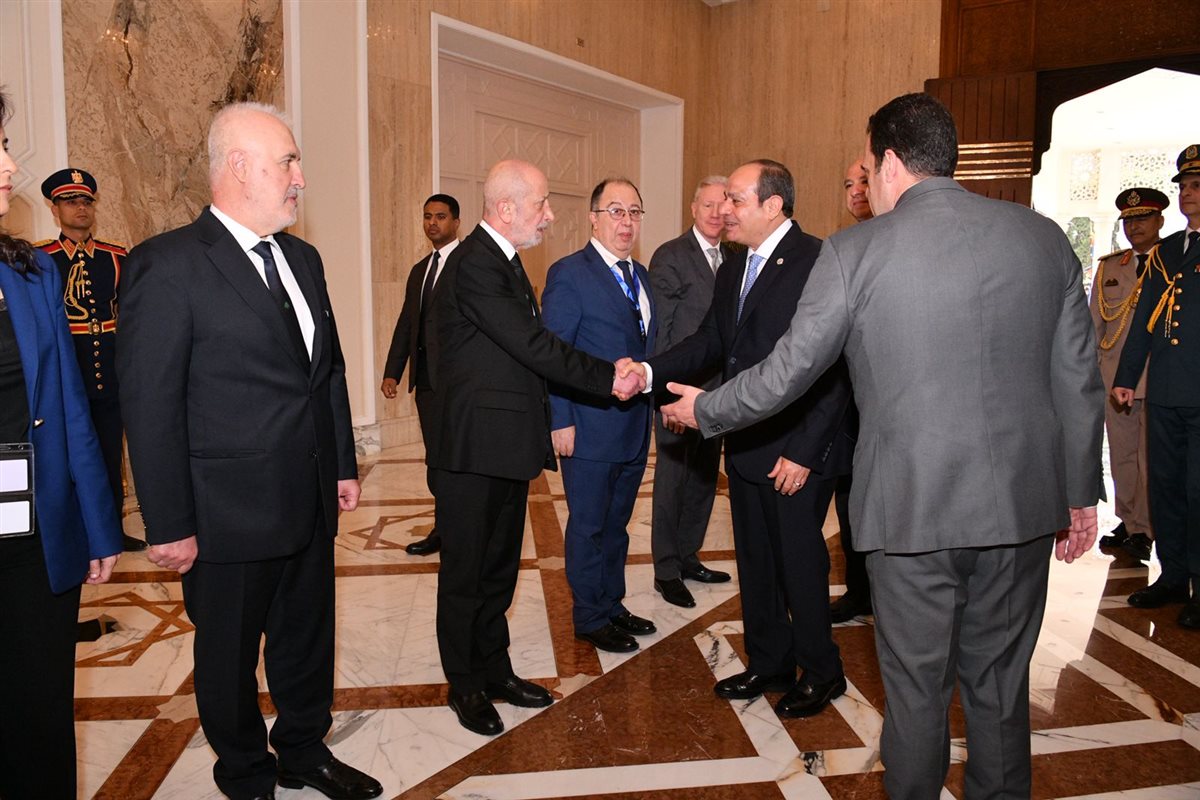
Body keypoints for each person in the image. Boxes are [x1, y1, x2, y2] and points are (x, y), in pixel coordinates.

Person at [655, 94, 1104, 798]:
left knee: (918, 691)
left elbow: (788, 372)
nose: (865, 182)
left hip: (910, 512)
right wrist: (1080, 495)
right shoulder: (1043, 237)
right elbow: (1078, 377)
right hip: (1021, 509)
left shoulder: (854, 251)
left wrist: (705, 408)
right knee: (999, 688)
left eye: (867, 169)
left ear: (891, 163)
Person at [118, 103, 381, 800]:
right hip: (225, 512)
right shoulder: (167, 264)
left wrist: (342, 464)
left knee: (307, 638)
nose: (300, 178)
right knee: (228, 655)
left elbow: (324, 372)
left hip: (308, 497)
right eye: (287, 161)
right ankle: (243, 771)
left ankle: (304, 751)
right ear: (238, 166)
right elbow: (150, 405)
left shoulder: (303, 258)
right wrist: (168, 522)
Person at [424, 159, 642, 737]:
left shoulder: (505, 260)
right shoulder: (476, 264)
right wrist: (608, 377)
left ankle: (495, 668)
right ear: (506, 208)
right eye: (541, 204)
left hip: (504, 446)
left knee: (498, 571)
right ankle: (465, 684)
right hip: (471, 450)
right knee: (466, 574)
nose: (548, 215)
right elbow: (535, 346)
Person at [639, 159, 856, 719]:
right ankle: (770, 662)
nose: (724, 211)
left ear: (773, 205)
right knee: (757, 562)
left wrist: (805, 451)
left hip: (796, 450)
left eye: (736, 200)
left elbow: (836, 367)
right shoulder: (735, 265)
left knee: (799, 565)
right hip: (745, 442)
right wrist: (649, 371)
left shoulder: (818, 261)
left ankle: (823, 671)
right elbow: (712, 342)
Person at [0, 87, 123, 800]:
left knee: (39, 708)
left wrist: (98, 525)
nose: (10, 165)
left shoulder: (30, 271)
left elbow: (71, 408)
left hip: (33, 532)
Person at [544, 177, 658, 653]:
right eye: (615, 211)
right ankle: (589, 615)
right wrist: (560, 419)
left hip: (633, 428)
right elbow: (554, 353)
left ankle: (612, 603)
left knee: (617, 525)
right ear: (593, 218)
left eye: (634, 212)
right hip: (588, 427)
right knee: (588, 526)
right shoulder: (570, 273)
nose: (626, 222)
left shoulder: (642, 276)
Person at [37, 167, 146, 552]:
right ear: (55, 209)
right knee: (67, 459)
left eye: (86, 201)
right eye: (70, 201)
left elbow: (133, 316)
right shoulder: (42, 259)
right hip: (66, 375)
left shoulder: (116, 257)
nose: (80, 207)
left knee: (110, 456)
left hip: (110, 375)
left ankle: (111, 531)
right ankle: (74, 534)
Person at [1114, 145, 1200, 629]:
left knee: (1198, 490)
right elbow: (1144, 320)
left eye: (1196, 186)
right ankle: (1173, 577)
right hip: (1165, 391)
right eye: (1184, 186)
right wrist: (1127, 378)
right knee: (1165, 487)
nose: (1188, 193)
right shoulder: (1167, 252)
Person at [646, 176, 732, 610]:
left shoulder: (735, 256)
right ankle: (666, 569)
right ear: (694, 208)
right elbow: (660, 332)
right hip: (677, 392)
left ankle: (688, 555)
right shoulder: (671, 255)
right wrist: (664, 397)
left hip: (718, 393)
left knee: (703, 477)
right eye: (708, 205)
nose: (716, 213)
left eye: (723, 205)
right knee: (673, 481)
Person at [380, 193, 461, 557]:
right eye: (428, 216)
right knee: (436, 460)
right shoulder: (419, 271)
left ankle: (461, 530)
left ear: (456, 222)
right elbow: (406, 324)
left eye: (440, 216)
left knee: (457, 461)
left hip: (460, 385)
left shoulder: (468, 265)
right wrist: (393, 372)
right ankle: (443, 529)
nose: (432, 223)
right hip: (427, 385)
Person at [1090, 187, 1165, 563]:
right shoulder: (1110, 267)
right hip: (1114, 377)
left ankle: (1147, 528)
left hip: (1159, 379)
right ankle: (1129, 519)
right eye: (1129, 221)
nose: (1135, 227)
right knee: (1121, 455)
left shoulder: (1172, 262)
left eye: (1143, 219)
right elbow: (1095, 326)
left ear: (1160, 221)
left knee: (1149, 459)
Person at [829, 159, 872, 623]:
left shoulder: (902, 243)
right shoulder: (840, 249)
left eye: (864, 180)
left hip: (892, 406)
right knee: (850, 504)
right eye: (848, 184)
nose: (856, 190)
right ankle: (859, 592)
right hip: (847, 409)